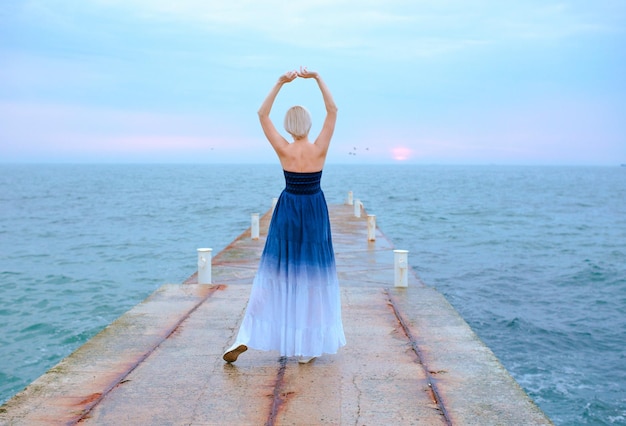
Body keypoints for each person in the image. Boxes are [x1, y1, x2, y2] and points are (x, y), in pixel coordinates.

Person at [223, 67, 346, 364]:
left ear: (289, 127)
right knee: (313, 275)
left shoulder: (284, 149)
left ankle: (248, 335)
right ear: (308, 124)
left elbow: (262, 115)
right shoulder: (318, 148)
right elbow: (333, 109)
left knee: (279, 272)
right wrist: (317, 78)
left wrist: (279, 82)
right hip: (314, 207)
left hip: (289, 207)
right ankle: (306, 347)